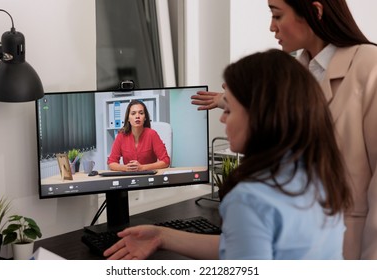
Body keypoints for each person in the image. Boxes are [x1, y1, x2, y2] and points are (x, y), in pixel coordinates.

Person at [104, 49, 352, 260]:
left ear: (261, 116)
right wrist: (162, 235)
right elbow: (244, 246)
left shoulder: (251, 197)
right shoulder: (318, 172)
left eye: (229, 109)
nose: (222, 118)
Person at [191, 0, 377, 260]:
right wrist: (231, 101)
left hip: (355, 245)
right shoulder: (296, 72)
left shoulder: (370, 67)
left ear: (315, 11)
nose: (271, 27)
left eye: (277, 15)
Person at [107, 100, 170, 171]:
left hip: (149, 177)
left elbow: (166, 161)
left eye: (141, 113)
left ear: (145, 118)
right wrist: (125, 168)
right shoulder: (121, 136)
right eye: (133, 113)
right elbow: (111, 162)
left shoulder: (152, 134)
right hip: (129, 178)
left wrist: (142, 167)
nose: (137, 116)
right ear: (128, 118)